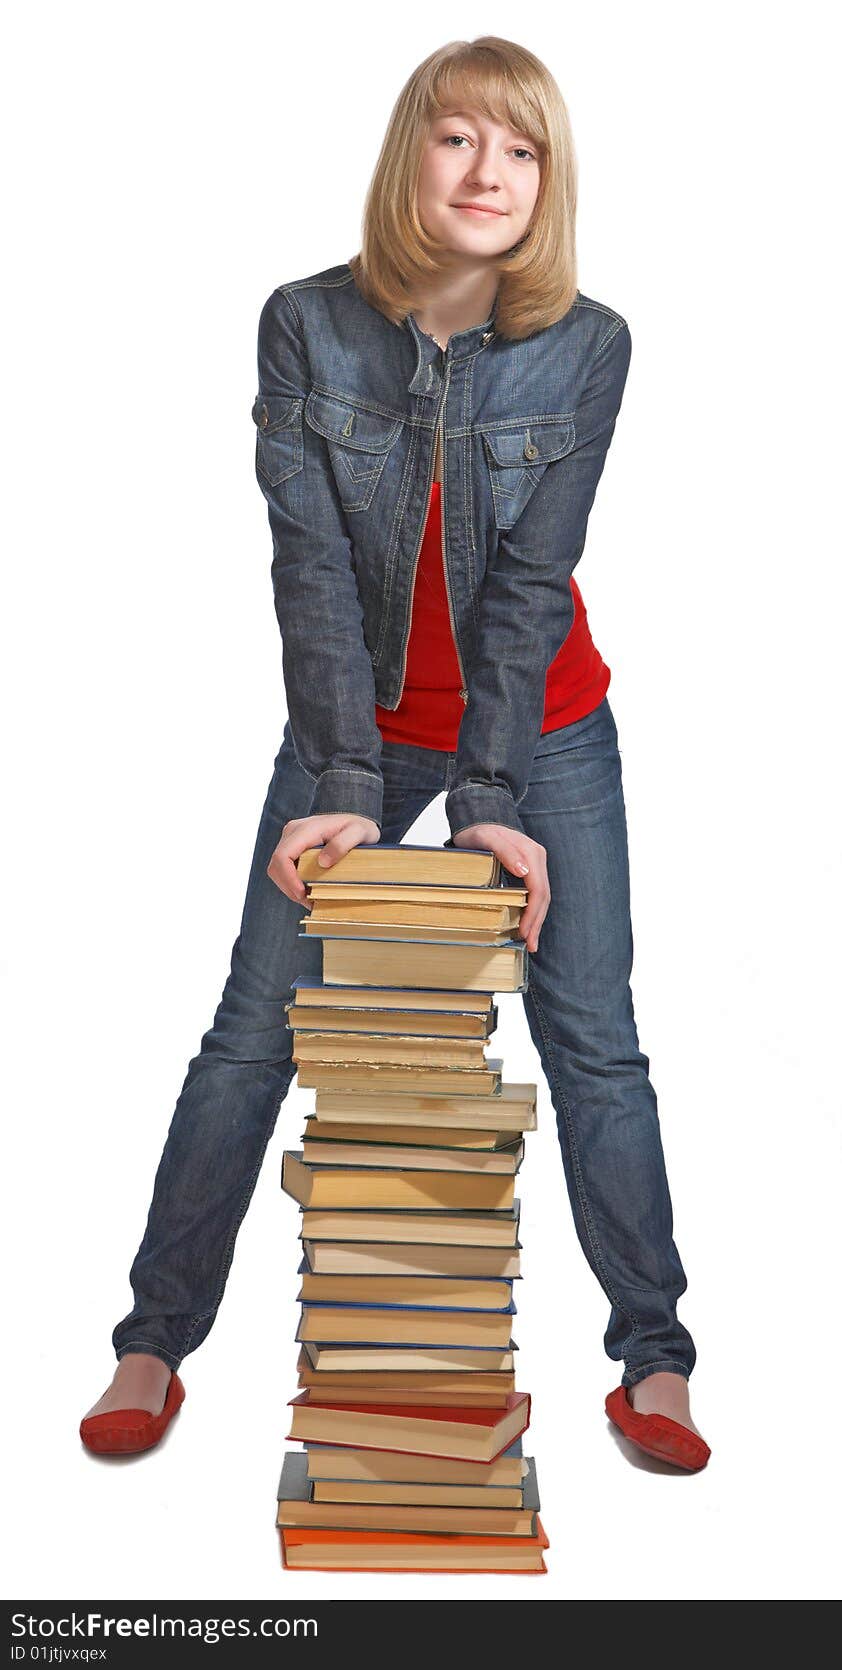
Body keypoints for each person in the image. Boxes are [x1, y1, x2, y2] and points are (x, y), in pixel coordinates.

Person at [80, 35, 709, 1472]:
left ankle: (654, 1359)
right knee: (254, 1025)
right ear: (407, 157)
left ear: (547, 180)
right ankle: (151, 1338)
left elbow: (526, 589)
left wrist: (488, 801)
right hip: (348, 725)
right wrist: (350, 788)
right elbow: (308, 567)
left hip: (537, 721)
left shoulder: (586, 342)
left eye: (521, 148)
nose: (487, 173)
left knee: (591, 1040)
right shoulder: (305, 324)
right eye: (456, 138)